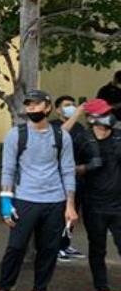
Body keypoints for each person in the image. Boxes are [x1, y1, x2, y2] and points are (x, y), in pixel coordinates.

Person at [0, 90, 79, 291]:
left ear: (48, 108)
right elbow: (8, 169)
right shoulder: (16, 135)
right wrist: (5, 202)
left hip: (55, 200)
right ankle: (2, 290)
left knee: (49, 250)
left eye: (36, 104)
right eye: (28, 105)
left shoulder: (61, 136)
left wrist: (70, 205)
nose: (31, 109)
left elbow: (68, 170)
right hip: (25, 199)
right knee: (16, 247)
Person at [77, 99, 121, 291]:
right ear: (92, 119)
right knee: (98, 249)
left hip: (118, 206)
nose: (107, 119)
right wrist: (86, 167)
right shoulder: (83, 141)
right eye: (102, 115)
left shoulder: (118, 139)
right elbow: (69, 168)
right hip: (94, 205)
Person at [52, 95, 94, 261]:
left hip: (76, 176)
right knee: (59, 213)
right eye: (67, 105)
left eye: (73, 105)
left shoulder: (80, 127)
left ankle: (65, 244)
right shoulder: (54, 126)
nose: (71, 107)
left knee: (73, 212)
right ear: (57, 109)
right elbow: (60, 136)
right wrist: (77, 113)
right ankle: (55, 246)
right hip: (57, 177)